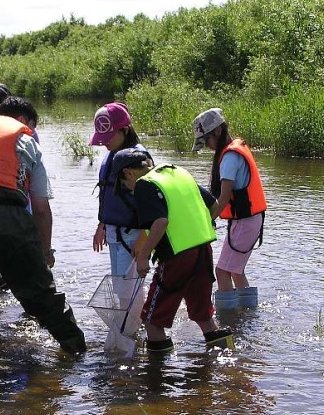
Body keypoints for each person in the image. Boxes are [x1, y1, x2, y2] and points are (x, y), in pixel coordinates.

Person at [0, 96, 87, 354]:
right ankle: (76, 352)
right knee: (43, 298)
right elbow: (41, 208)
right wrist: (45, 252)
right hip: (9, 220)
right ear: (22, 121)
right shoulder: (25, 141)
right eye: (32, 125)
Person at [114, 148, 232, 352]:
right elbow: (214, 206)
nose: (129, 189)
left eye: (125, 185)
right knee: (204, 315)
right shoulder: (178, 172)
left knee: (152, 320)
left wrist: (143, 257)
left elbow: (160, 222)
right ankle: (225, 364)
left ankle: (157, 378)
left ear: (128, 173)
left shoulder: (145, 184)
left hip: (177, 257)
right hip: (203, 250)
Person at [192, 108, 267, 309]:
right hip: (250, 220)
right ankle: (248, 315)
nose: (207, 146)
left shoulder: (229, 158)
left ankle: (229, 321)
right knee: (236, 270)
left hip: (245, 222)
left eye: (206, 140)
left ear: (217, 131)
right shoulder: (234, 150)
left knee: (222, 271)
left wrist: (206, 221)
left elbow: (223, 198)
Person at [90, 102, 152, 277]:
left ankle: (139, 306)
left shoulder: (139, 160)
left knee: (128, 289)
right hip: (113, 232)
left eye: (109, 135)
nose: (104, 141)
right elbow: (108, 195)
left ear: (125, 130)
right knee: (120, 287)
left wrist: (143, 241)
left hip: (133, 235)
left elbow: (153, 207)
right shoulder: (113, 156)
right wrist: (101, 225)